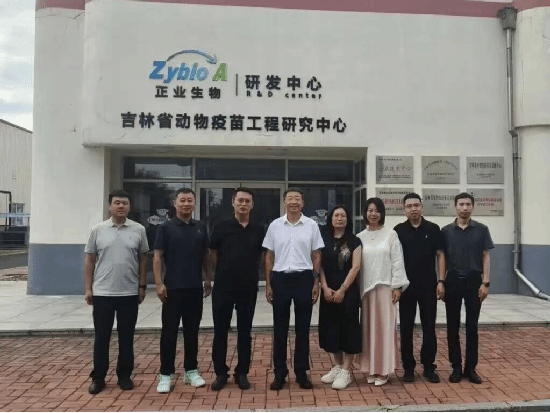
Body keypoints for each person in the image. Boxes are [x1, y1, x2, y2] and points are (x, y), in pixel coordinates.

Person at [84, 190, 149, 395]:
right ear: (110, 206)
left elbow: (143, 259)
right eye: (117, 203)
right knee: (101, 338)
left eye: (125, 203)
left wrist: (142, 286)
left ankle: (124, 376)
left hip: (129, 293)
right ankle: (98, 377)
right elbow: (90, 260)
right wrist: (88, 288)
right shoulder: (98, 230)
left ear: (129, 207)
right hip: (103, 293)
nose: (121, 206)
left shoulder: (139, 229)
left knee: (126, 337)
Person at [263, 188, 324, 390]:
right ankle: (279, 374)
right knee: (279, 329)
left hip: (304, 279)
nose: (293, 202)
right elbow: (269, 256)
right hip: (280, 279)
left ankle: (301, 373)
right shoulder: (275, 226)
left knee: (303, 329)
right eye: (290, 199)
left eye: (297, 199)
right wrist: (268, 284)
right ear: (284, 203)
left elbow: (316, 255)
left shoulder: (312, 225)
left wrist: (315, 282)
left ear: (303, 203)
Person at [154, 188, 212, 393]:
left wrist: (208, 278)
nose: (186, 204)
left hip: (194, 289)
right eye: (183, 200)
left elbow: (206, 255)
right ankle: (165, 374)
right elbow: (157, 257)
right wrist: (158, 284)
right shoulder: (165, 227)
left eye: (190, 200)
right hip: (172, 289)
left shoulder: (200, 228)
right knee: (169, 333)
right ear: (175, 203)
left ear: (194, 203)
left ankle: (191, 371)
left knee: (192, 332)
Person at [210, 188, 266, 391]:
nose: (243, 204)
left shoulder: (258, 229)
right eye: (240, 200)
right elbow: (213, 255)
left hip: (247, 287)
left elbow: (261, 257)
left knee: (245, 332)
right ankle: (221, 373)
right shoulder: (221, 227)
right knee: (220, 332)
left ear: (252, 205)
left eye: (247, 201)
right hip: (223, 287)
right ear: (233, 202)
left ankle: (242, 372)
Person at [442, 193, 493, 384]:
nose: (465, 207)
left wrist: (485, 283)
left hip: (474, 281)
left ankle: (470, 368)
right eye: (461, 204)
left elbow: (486, 255)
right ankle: (456, 367)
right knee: (452, 326)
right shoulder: (446, 231)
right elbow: (442, 257)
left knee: (472, 327)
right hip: (453, 280)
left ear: (472, 206)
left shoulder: (481, 230)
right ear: (455, 206)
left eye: (468, 204)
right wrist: (441, 281)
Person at [394, 193, 446, 384]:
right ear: (404, 210)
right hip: (406, 287)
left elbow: (440, 255)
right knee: (406, 328)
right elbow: (395, 259)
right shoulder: (398, 231)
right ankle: (408, 367)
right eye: (409, 206)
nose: (413, 209)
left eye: (416, 205)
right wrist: (396, 285)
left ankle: (429, 366)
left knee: (429, 327)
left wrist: (441, 281)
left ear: (422, 207)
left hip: (428, 286)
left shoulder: (433, 229)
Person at [357, 197, 409, 387]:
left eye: (376, 210)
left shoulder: (391, 235)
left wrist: (397, 286)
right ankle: (370, 368)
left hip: (386, 288)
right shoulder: (360, 237)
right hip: (366, 290)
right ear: (365, 213)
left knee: (385, 330)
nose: (373, 214)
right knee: (368, 331)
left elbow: (397, 261)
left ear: (382, 213)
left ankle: (384, 370)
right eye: (369, 210)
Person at [318, 205, 362, 390]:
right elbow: (319, 265)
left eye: (343, 215)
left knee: (349, 329)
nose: (339, 218)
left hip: (348, 291)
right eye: (336, 215)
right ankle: (337, 366)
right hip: (328, 291)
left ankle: (346, 371)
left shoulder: (354, 240)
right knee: (331, 328)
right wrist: (325, 287)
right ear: (331, 219)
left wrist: (343, 289)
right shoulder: (323, 239)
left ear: (347, 219)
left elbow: (355, 267)